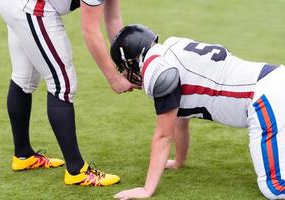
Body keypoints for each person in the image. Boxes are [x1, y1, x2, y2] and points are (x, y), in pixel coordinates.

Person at [110, 24, 285, 199]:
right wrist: (179, 161)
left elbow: (163, 136)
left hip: (265, 99)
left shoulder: (158, 70)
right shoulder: (172, 47)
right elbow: (180, 122)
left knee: (274, 187)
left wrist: (147, 189)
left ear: (132, 60)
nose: (125, 75)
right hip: (275, 77)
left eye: (124, 69)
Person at [0, 0, 137, 187]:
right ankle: (76, 170)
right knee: (62, 84)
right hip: (30, 6)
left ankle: (24, 155)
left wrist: (125, 63)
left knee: (25, 78)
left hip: (14, 4)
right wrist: (114, 78)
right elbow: (90, 31)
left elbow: (113, 18)